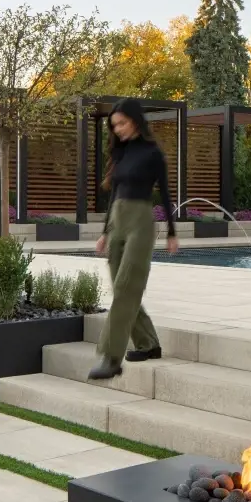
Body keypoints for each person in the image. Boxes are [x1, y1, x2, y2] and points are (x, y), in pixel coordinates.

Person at [89, 98, 179, 380]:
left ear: (136, 121)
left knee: (127, 286)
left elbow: (165, 193)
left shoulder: (153, 154)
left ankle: (111, 357)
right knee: (122, 288)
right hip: (117, 222)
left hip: (140, 223)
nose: (117, 130)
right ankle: (148, 343)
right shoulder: (121, 153)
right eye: (114, 126)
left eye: (122, 123)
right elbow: (114, 194)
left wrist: (172, 232)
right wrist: (105, 231)